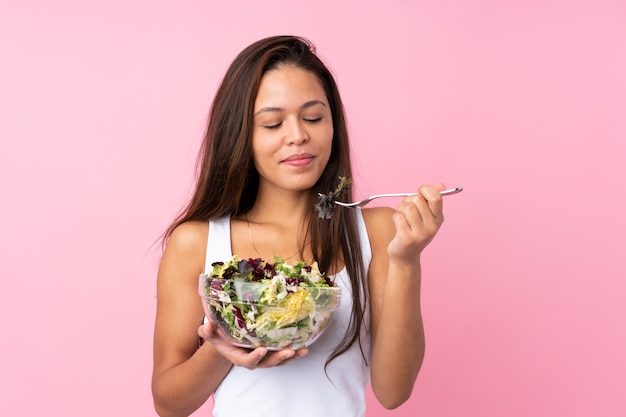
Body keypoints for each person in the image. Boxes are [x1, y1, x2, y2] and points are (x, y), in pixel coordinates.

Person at [151, 35, 447, 417]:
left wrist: (407, 261)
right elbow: (168, 403)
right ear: (242, 135)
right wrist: (225, 346)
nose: (298, 136)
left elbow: (393, 391)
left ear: (333, 124)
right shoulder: (198, 241)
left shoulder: (379, 231)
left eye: (313, 117)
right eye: (273, 123)